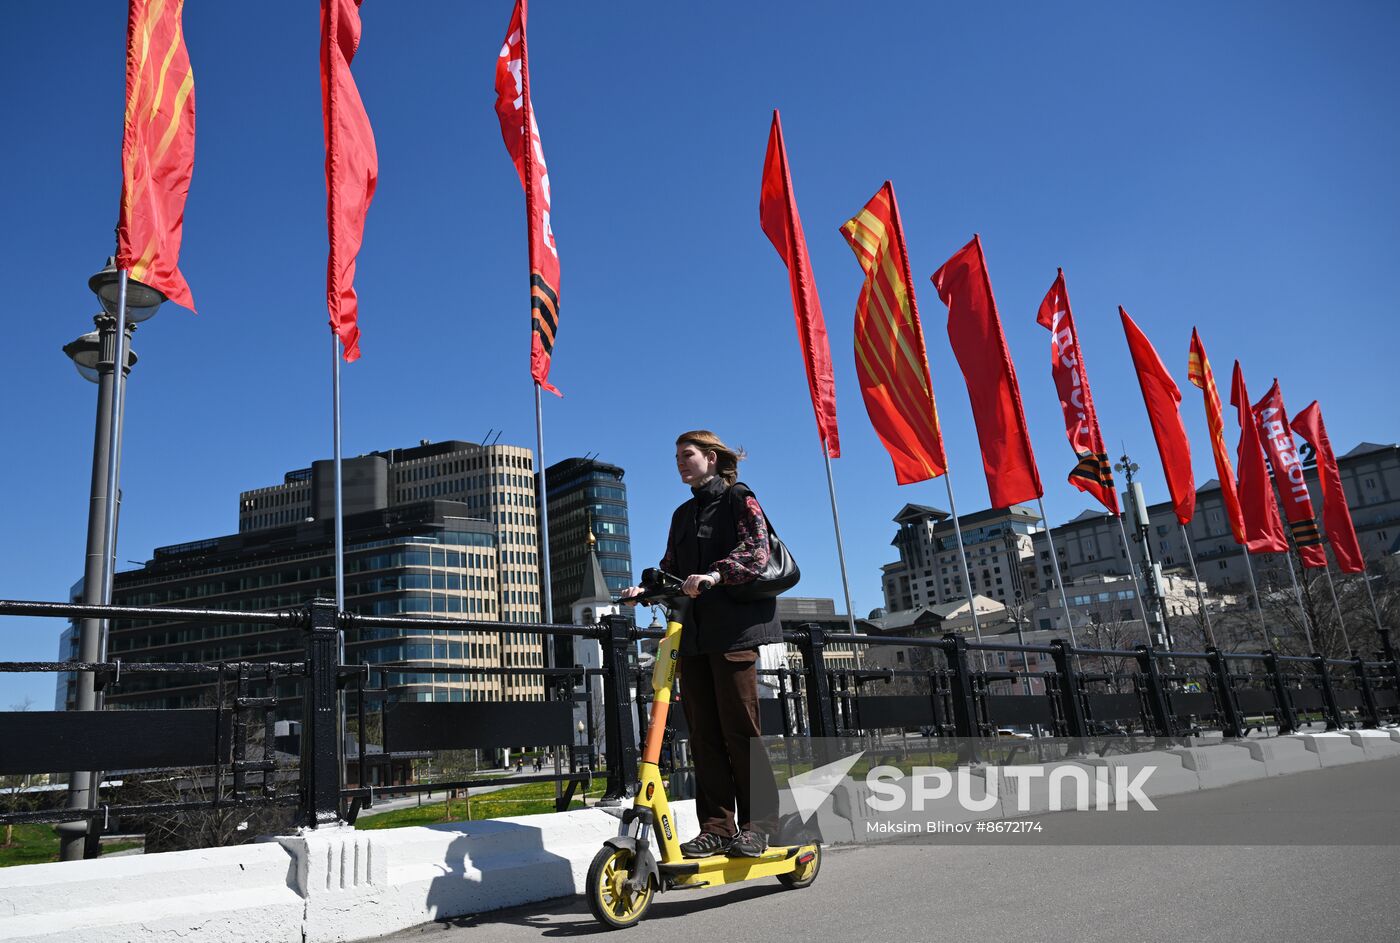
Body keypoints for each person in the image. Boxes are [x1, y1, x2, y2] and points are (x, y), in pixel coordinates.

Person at [620, 430, 781, 858]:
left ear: (711, 457)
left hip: (733, 634)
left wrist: (716, 574)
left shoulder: (738, 498)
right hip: (692, 636)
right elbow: (673, 568)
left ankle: (759, 825)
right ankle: (716, 827)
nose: (680, 462)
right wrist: (646, 589)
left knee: (740, 731)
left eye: (687, 455)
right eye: (676, 457)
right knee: (704, 736)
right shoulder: (681, 515)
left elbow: (757, 550)